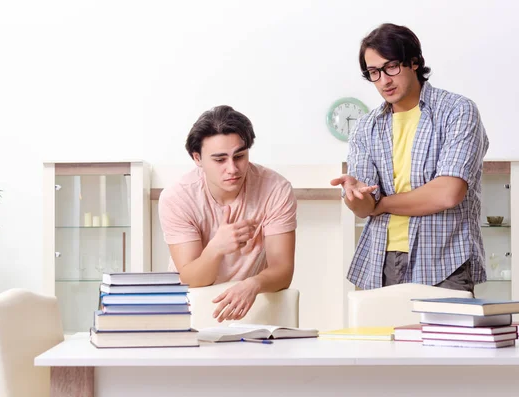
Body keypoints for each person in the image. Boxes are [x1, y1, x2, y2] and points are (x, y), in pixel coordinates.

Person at [331, 23, 488, 293]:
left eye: (391, 67)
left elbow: (448, 193)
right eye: (374, 72)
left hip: (443, 261)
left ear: (413, 62)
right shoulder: (365, 127)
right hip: (379, 263)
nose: (384, 80)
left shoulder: (457, 111)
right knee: (374, 336)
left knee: (443, 338)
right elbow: (366, 208)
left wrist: (384, 204)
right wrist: (356, 196)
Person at [158, 105, 297, 322]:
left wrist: (253, 284)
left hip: (252, 303)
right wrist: (216, 248)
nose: (232, 169)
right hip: (192, 308)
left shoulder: (275, 189)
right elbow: (190, 278)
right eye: (220, 160)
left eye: (239, 156)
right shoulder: (177, 197)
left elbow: (283, 270)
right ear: (197, 158)